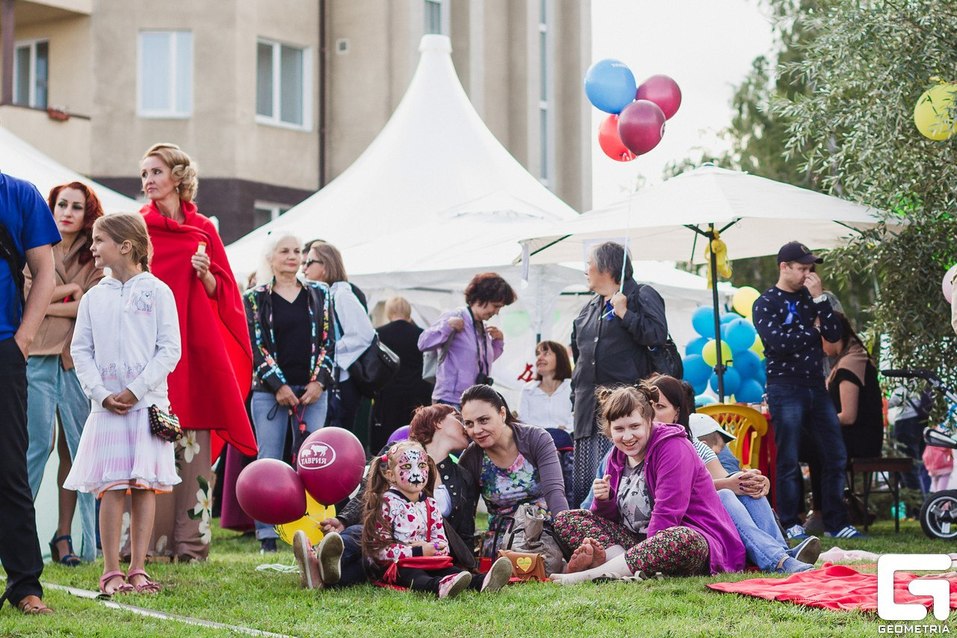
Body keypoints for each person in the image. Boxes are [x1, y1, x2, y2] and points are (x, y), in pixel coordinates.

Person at [139, 143, 256, 560]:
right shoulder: (139, 228)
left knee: (194, 445)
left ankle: (192, 546)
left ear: (176, 176)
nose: (148, 180)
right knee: (156, 442)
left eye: (155, 172)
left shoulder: (204, 227)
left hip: (197, 348)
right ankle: (151, 546)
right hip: (154, 349)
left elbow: (224, 293)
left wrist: (205, 276)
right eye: (144, 174)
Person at [65, 213, 182, 596]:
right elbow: (81, 349)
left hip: (146, 406)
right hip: (107, 409)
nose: (93, 248)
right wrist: (100, 393)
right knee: (112, 487)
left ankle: (138, 567)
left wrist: (136, 389)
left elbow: (169, 349)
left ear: (126, 245)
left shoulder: (158, 291)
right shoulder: (94, 296)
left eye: (99, 241)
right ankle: (111, 570)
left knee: (143, 485)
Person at [550, 385, 745, 585]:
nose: (627, 437)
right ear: (609, 430)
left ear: (649, 421)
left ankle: (593, 574)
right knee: (567, 518)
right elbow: (612, 521)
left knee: (681, 538)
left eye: (634, 426)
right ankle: (622, 569)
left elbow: (667, 514)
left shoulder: (674, 448)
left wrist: (649, 553)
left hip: (692, 541)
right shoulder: (617, 455)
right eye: (619, 429)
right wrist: (604, 500)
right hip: (639, 544)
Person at [295, 404, 476, 589]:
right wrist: (343, 520)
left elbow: (464, 531)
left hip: (423, 549)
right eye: (459, 419)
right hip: (386, 538)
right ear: (438, 422)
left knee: (366, 562)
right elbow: (369, 491)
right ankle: (320, 562)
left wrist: (469, 565)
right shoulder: (395, 452)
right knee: (363, 535)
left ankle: (315, 570)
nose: (467, 427)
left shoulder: (462, 476)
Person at [752, 241, 861, 541]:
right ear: (783, 267)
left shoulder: (810, 298)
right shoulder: (766, 303)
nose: (806, 274)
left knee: (835, 453)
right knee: (788, 457)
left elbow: (835, 335)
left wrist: (820, 300)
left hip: (816, 384)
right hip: (784, 386)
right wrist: (811, 330)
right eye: (800, 268)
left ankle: (836, 522)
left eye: (809, 268)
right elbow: (779, 343)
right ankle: (790, 522)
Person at [24, 182, 103, 566]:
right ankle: (17, 535)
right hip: (36, 356)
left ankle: (65, 537)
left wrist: (47, 300)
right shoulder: (36, 242)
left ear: (87, 212)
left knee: (76, 448)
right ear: (51, 207)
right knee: (37, 444)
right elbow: (24, 296)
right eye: (61, 204)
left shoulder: (95, 253)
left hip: (77, 362)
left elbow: (91, 307)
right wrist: (68, 293)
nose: (67, 211)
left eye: (76, 206)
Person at [243, 232, 335, 553]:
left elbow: (328, 341)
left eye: (298, 251)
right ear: (271, 257)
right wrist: (278, 385)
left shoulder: (320, 293)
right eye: (285, 251)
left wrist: (319, 382)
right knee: (268, 458)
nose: (293, 257)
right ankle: (267, 533)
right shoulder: (255, 297)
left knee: (314, 460)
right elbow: (256, 345)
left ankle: (314, 528)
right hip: (270, 392)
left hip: (312, 390)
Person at [570, 241, 668, 508]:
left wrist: (625, 313)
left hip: (626, 411)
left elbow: (657, 335)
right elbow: (579, 359)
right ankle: (583, 536)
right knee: (586, 484)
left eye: (589, 263)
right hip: (587, 410)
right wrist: (574, 398)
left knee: (617, 480)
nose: (586, 270)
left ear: (608, 267)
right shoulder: (588, 308)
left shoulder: (641, 295)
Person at [0, 170, 59, 615]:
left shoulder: (19, 193)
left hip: (4, 348)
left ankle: (24, 586)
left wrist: (23, 339)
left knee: (9, 469)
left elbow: (45, 271)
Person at [359, 440, 513, 598]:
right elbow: (378, 552)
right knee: (414, 576)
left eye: (421, 465)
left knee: (453, 571)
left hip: (428, 561)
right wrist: (417, 551)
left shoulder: (430, 504)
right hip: (396, 566)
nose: (416, 474)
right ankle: (440, 586)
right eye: (406, 467)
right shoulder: (387, 504)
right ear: (390, 475)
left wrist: (434, 548)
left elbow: (441, 542)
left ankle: (483, 581)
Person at [689, 413, 819, 573]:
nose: (722, 451)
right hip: (697, 517)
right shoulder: (679, 447)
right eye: (720, 447)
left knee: (748, 490)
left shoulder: (699, 447)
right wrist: (730, 484)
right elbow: (690, 489)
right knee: (726, 494)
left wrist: (756, 481)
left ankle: (783, 554)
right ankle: (779, 559)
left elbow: (725, 478)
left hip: (719, 512)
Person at [458, 384, 569, 554]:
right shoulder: (471, 458)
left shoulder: (536, 438)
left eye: (483, 420)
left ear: (502, 414)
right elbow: (466, 514)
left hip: (544, 533)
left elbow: (555, 493)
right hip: (502, 543)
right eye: (469, 424)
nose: (477, 430)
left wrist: (569, 538)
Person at [301, 240, 375, 432]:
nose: (304, 268)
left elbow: (365, 334)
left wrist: (330, 351)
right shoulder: (323, 294)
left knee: (335, 436)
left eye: (309, 262)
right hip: (329, 378)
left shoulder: (342, 294)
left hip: (342, 382)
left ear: (325, 266)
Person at [418, 273, 516, 409]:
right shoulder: (455, 316)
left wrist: (498, 342)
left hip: (473, 400)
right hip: (450, 400)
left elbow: (479, 361)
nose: (497, 312)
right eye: (495, 306)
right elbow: (423, 343)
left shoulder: (481, 326)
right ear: (482, 298)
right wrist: (447, 326)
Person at [372, 296, 432, 452]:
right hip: (417, 391)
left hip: (389, 392)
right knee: (415, 434)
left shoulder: (379, 334)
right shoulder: (422, 334)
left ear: (389, 311)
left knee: (388, 436)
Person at [519, 340, 573, 432]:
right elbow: (524, 424)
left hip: (568, 443)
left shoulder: (572, 388)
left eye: (546, 353)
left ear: (560, 359)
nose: (539, 357)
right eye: (538, 354)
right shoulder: (527, 390)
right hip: (536, 444)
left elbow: (575, 422)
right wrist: (556, 427)